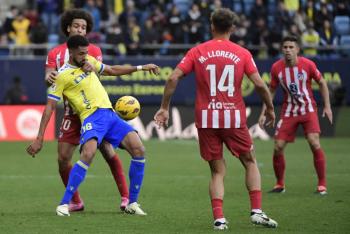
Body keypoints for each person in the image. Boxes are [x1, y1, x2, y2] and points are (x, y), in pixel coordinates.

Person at [154, 8, 278, 230]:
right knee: (249, 161)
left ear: (212, 26)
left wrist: (164, 107)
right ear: (232, 28)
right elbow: (260, 84)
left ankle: (219, 219)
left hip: (206, 119)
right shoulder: (242, 53)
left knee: (217, 171)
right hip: (233, 118)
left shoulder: (197, 51)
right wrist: (269, 108)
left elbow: (173, 77)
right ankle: (257, 212)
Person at [26, 34, 160, 216]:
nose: (85, 56)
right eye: (81, 53)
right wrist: (39, 138)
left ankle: (132, 203)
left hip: (110, 115)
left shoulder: (89, 61)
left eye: (86, 53)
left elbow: (111, 70)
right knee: (87, 154)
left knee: (139, 149)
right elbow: (49, 107)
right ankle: (64, 204)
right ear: (71, 52)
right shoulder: (61, 76)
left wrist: (141, 67)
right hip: (91, 118)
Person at [44, 9, 129, 212]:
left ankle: (126, 198)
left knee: (108, 151)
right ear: (68, 28)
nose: (80, 29)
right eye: (76, 26)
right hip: (71, 113)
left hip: (92, 111)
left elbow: (95, 71)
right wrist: (48, 76)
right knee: (63, 159)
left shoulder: (92, 50)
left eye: (83, 27)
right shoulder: (55, 53)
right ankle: (76, 201)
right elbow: (49, 74)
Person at [258, 35, 332, 195]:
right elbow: (270, 90)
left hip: (308, 109)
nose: (288, 50)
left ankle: (322, 184)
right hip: (289, 111)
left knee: (314, 142)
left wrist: (327, 106)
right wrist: (264, 112)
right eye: (285, 47)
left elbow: (322, 83)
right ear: (282, 50)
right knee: (277, 147)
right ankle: (279, 184)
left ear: (297, 49)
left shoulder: (308, 65)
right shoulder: (276, 68)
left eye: (291, 47)